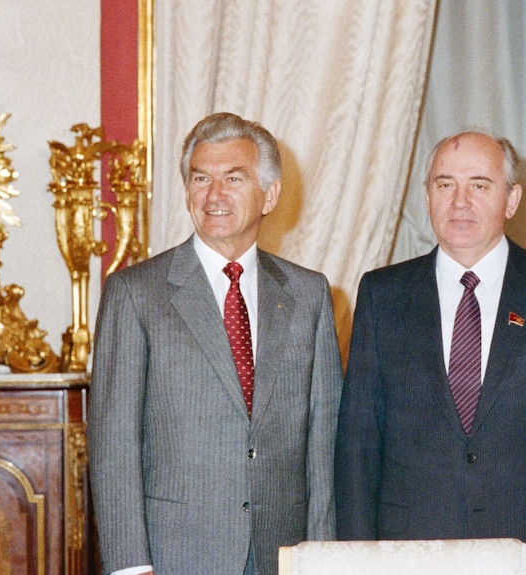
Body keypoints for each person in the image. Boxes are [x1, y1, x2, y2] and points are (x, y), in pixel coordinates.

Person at [334, 131, 526, 574]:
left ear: (511, 200)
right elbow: (357, 451)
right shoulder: (382, 295)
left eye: (480, 185)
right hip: (409, 556)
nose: (460, 201)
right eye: (445, 184)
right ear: (427, 197)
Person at [88, 112, 343, 575]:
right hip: (175, 556)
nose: (214, 194)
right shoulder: (135, 293)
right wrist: (129, 566)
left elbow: (323, 446)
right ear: (187, 192)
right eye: (201, 178)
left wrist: (322, 558)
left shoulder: (309, 295)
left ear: (270, 195)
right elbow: (113, 445)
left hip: (282, 555)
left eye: (234, 177)